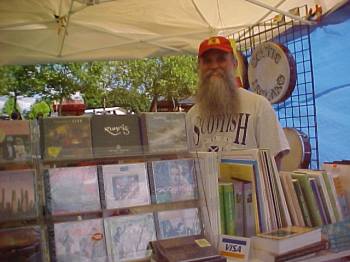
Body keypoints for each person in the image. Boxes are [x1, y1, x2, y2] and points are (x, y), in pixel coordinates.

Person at [186, 36, 289, 169]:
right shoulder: (192, 116)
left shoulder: (258, 106)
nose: (214, 66)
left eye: (221, 59)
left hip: (251, 190)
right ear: (199, 67)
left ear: (234, 64)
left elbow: (275, 159)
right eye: (207, 61)